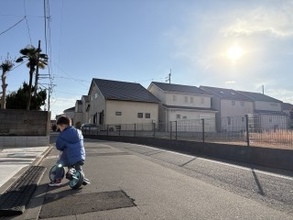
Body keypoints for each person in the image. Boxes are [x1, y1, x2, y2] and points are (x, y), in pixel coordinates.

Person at [49, 115, 90, 186]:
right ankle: (81, 177)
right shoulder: (78, 131)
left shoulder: (63, 134)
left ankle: (57, 180)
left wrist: (62, 147)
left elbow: (59, 146)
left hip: (69, 156)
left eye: (59, 127)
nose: (59, 129)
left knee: (59, 164)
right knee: (77, 166)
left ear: (63, 125)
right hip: (80, 155)